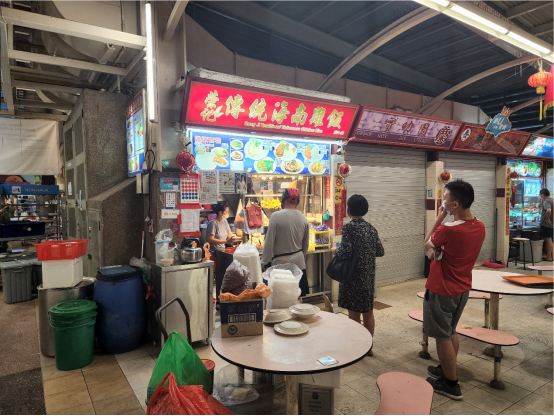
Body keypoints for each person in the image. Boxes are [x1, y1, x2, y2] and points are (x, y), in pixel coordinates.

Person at [423, 179, 485, 400]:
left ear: (455, 204)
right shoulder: (479, 226)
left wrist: (440, 217)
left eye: (445, 198)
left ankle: (451, 384)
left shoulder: (449, 228)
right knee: (450, 332)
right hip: (462, 289)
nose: (443, 201)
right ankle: (446, 368)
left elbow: (427, 243)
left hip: (442, 289)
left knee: (442, 337)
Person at [332, 194, 384, 356]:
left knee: (353, 314)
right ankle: (368, 347)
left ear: (349, 210)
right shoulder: (371, 228)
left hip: (352, 277)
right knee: (368, 313)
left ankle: (357, 347)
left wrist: (335, 251)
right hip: (368, 277)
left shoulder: (349, 228)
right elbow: (380, 251)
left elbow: (345, 252)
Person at [262, 188, 310, 296]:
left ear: (282, 200)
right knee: (297, 297)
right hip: (299, 264)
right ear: (297, 202)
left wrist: (265, 262)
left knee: (281, 298)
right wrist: (300, 257)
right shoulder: (303, 218)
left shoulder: (275, 216)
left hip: (280, 266)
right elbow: (306, 245)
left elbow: (269, 243)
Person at [539, 188, 553, 261]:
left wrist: (547, 219)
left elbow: (548, 210)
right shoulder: (552, 200)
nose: (540, 196)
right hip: (552, 224)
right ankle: (551, 256)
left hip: (547, 224)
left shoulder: (546, 201)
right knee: (550, 240)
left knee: (548, 240)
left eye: (540, 195)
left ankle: (549, 257)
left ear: (543, 194)